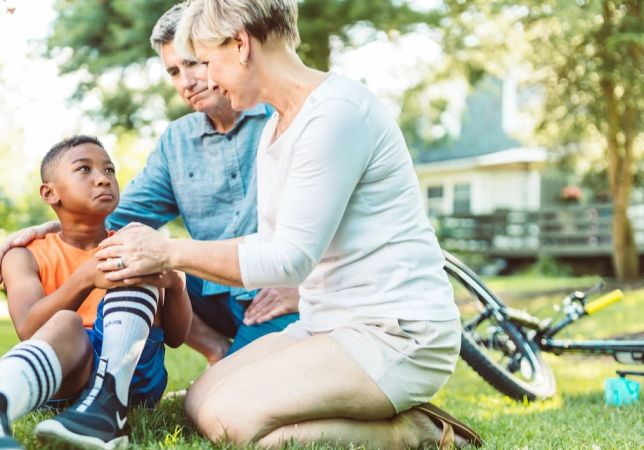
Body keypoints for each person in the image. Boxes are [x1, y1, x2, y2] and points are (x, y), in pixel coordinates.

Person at [91, 0, 485, 448]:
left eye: (206, 61)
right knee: (201, 399)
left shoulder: (336, 113)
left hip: (395, 333)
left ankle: (416, 432)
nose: (207, 80)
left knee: (236, 424)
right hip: (327, 324)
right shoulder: (277, 128)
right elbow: (268, 241)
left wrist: (171, 251)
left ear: (240, 45)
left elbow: (289, 259)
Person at [0, 4, 298, 366]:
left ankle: (233, 365)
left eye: (194, 63)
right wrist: (57, 226)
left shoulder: (283, 119)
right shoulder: (177, 140)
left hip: (276, 288)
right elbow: (119, 216)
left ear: (225, 51)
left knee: (235, 390)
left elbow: (332, 222)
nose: (187, 81)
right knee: (139, 261)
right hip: (210, 289)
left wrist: (307, 288)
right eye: (174, 71)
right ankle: (217, 352)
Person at [0, 136, 191, 450]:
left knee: (134, 259)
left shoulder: (134, 244)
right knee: (67, 323)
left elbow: (177, 337)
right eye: (84, 169)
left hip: (133, 375)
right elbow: (29, 328)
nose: (103, 178)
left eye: (109, 170)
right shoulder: (25, 255)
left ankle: (108, 407)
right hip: (67, 367)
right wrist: (85, 278)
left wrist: (177, 284)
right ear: (49, 193)